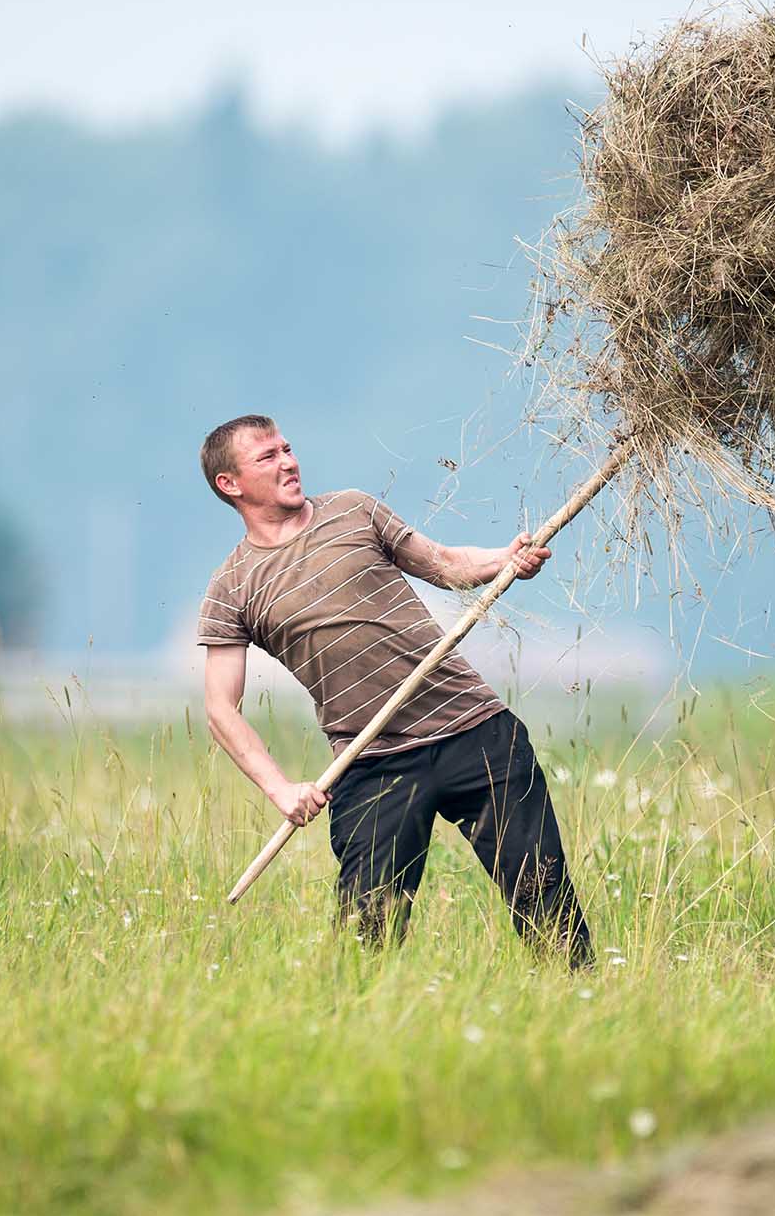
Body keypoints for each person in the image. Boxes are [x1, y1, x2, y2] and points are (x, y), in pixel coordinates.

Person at [197, 414, 594, 968]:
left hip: (474, 732)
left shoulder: (354, 510)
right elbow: (221, 709)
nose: (288, 462)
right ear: (230, 484)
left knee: (544, 900)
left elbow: (446, 565)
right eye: (268, 457)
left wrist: (506, 560)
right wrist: (281, 789)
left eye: (287, 448)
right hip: (371, 761)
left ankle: (579, 1004)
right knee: (368, 938)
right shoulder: (232, 587)